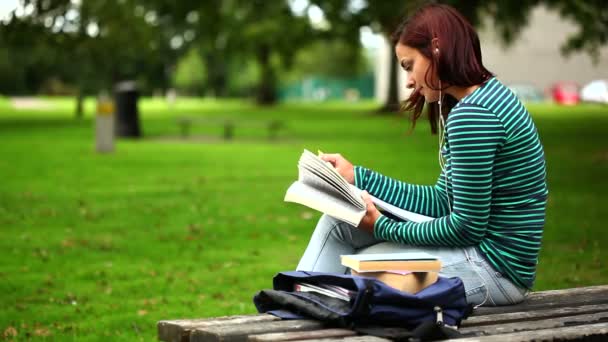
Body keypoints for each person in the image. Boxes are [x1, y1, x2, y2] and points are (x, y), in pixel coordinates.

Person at [296, 3, 548, 307]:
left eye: (408, 65)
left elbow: (466, 227)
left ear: (437, 50)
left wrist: (381, 227)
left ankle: (301, 315)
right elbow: (442, 202)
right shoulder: (482, 99)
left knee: (360, 270)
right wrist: (357, 177)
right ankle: (299, 308)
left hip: (494, 270)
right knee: (338, 223)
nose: (409, 81)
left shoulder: (475, 116)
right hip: (481, 256)